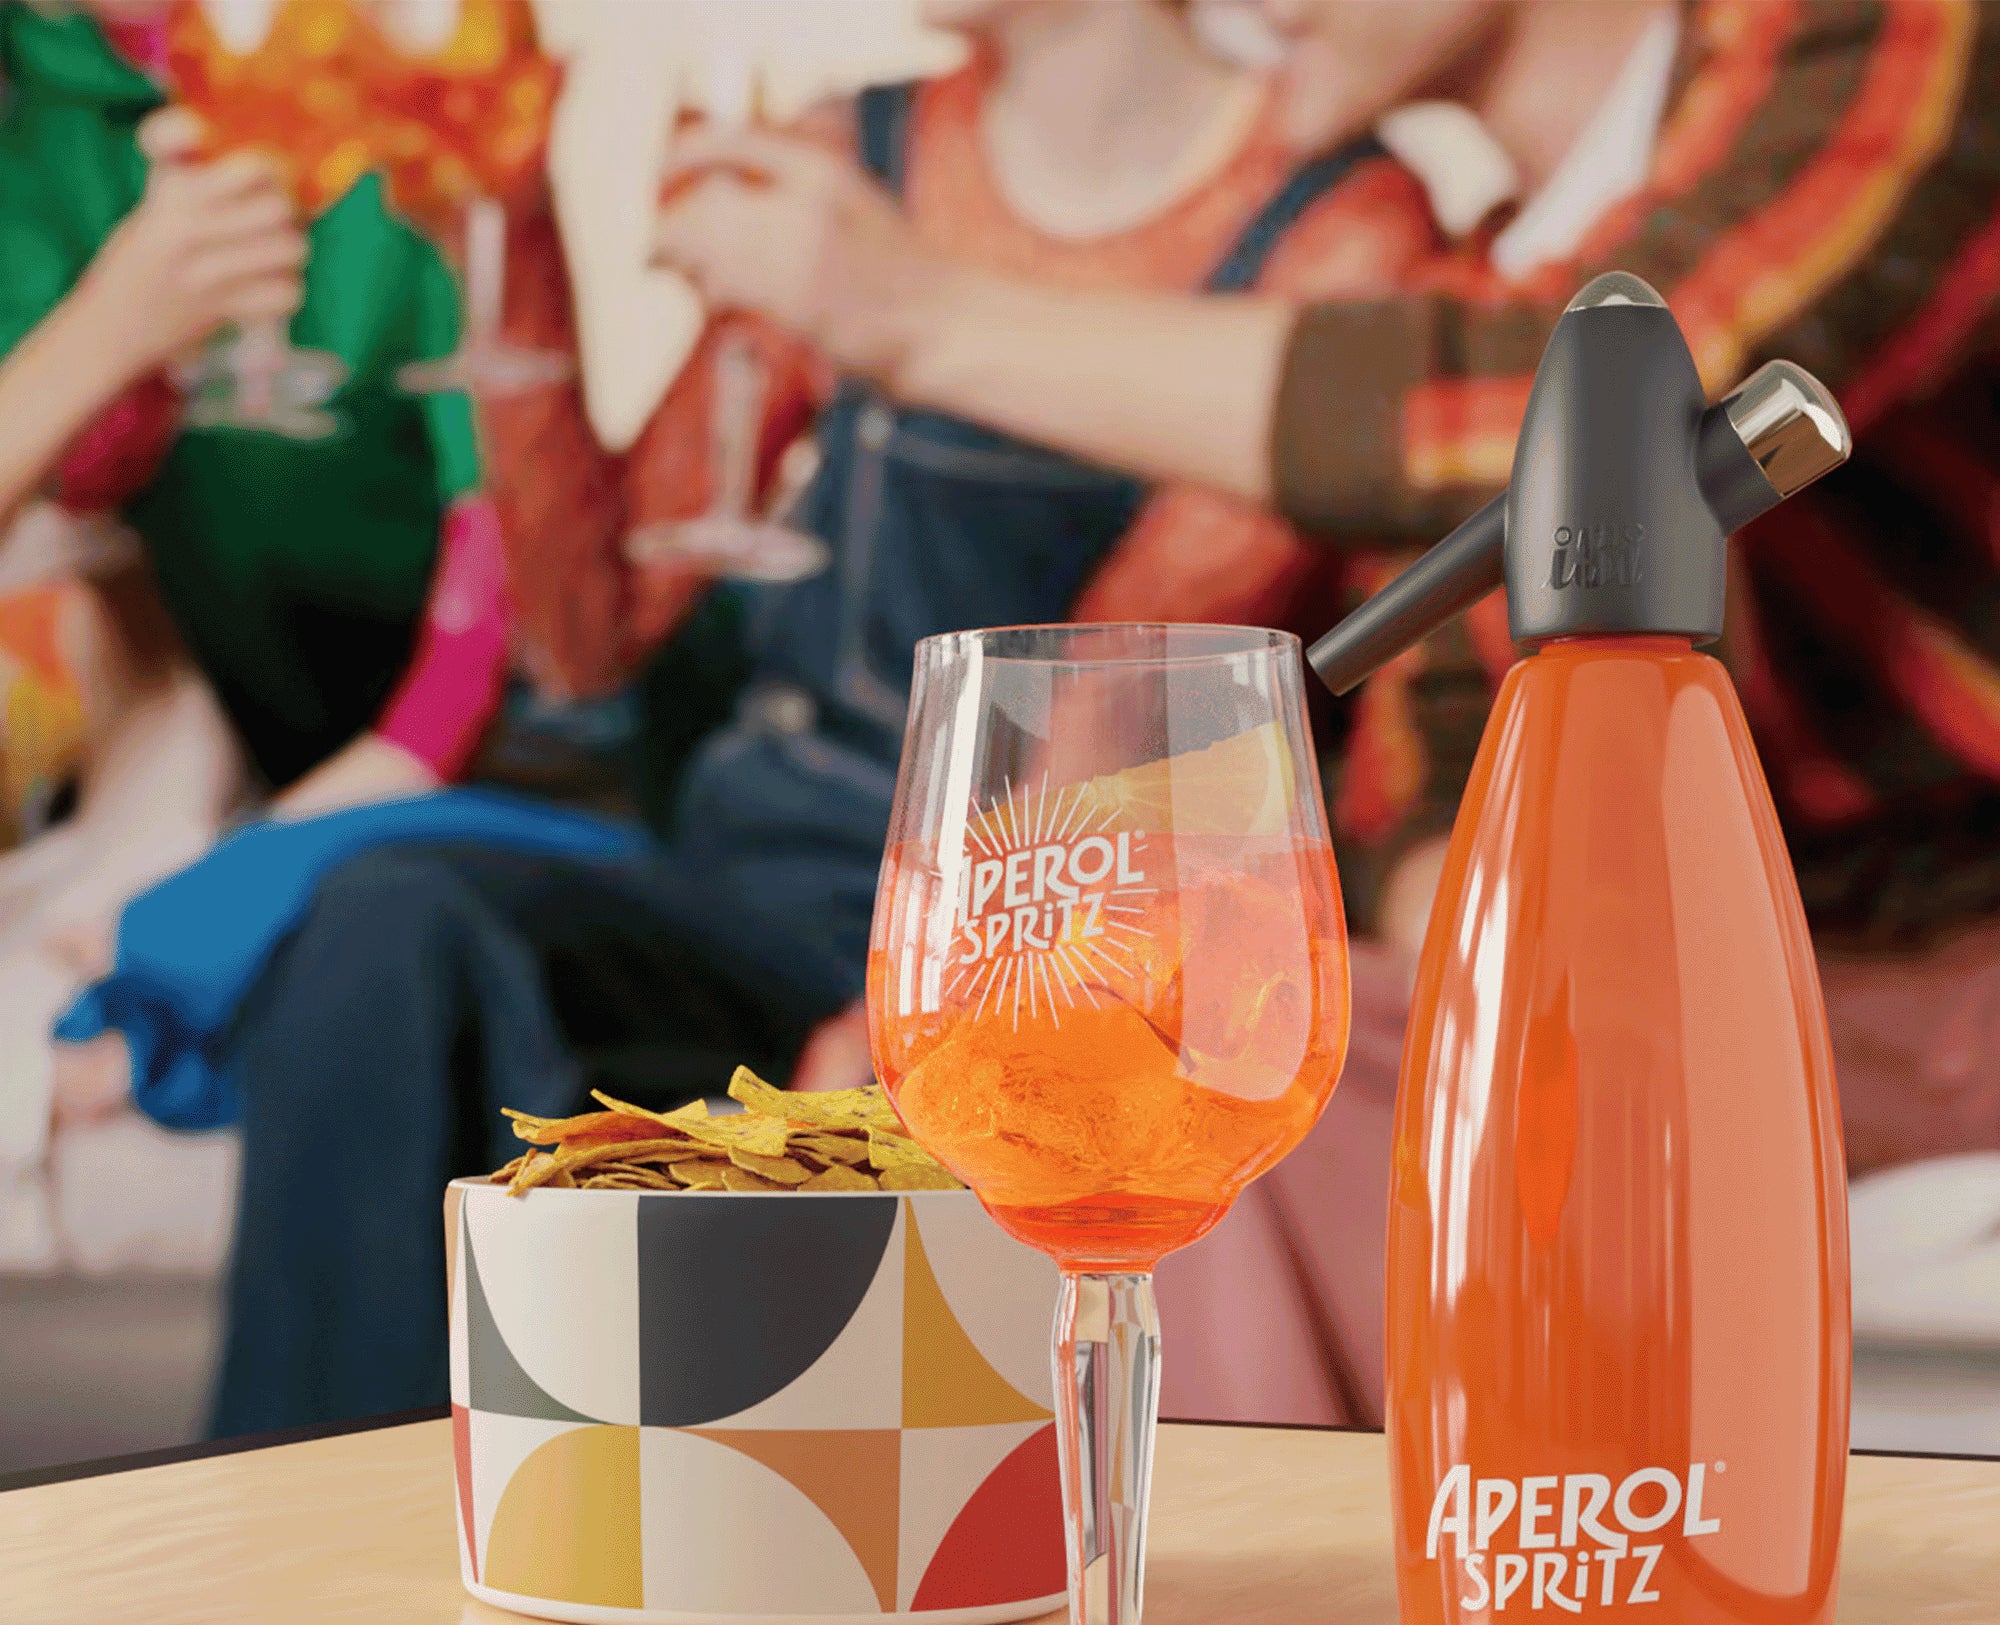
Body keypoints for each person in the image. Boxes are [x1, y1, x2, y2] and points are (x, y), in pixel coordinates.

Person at [654, 0, 2000, 1423]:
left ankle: (1225, 1617)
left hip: (1941, 962)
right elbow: (1438, 765)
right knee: (1181, 1052)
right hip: (1695, 981)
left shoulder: (1899, 37)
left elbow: (1607, 405)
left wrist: (912, 314)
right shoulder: (1479, 270)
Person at [205, 0, 1443, 1432]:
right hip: (744, 897)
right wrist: (514, 233)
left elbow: (1130, 707)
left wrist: (925, 1018)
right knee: (386, 917)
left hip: (1036, 932)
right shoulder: (853, 152)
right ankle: (301, 1548)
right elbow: (592, 641)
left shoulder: (1338, 227)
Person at [0, 0, 511, 821]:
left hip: (460, 752)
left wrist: (252, 873)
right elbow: (83, 492)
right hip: (207, 735)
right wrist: (125, 335)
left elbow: (505, 550)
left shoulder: (409, 78)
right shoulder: (37, 110)